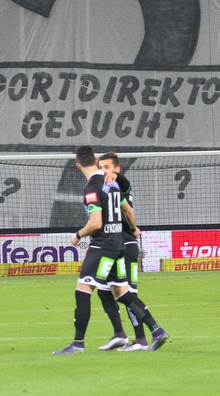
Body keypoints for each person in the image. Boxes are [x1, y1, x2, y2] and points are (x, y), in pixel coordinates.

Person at [54, 146, 169, 355]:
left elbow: (96, 223)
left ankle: (78, 343)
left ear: (77, 165)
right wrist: (133, 230)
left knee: (83, 290)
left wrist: (78, 236)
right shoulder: (112, 183)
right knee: (120, 291)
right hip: (119, 245)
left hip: (103, 245)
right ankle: (156, 329)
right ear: (96, 160)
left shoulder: (92, 187)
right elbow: (129, 211)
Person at [96, 152, 150, 352]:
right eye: (101, 168)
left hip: (125, 245)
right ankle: (119, 334)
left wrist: (116, 177)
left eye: (108, 167)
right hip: (108, 247)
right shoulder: (102, 189)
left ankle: (142, 339)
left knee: (128, 293)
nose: (104, 171)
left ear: (117, 169)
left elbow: (125, 186)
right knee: (102, 289)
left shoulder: (121, 185)